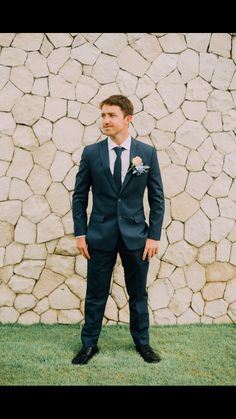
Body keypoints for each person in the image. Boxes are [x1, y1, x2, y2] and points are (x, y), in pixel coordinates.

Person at [72, 95, 165, 365]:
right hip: (99, 236)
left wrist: (154, 236)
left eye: (111, 115)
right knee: (95, 293)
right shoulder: (91, 153)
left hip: (136, 237)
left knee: (138, 293)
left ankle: (143, 344)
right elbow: (79, 196)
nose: (105, 120)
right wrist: (80, 233)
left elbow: (157, 198)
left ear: (128, 119)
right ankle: (89, 345)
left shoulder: (146, 153)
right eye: (102, 115)